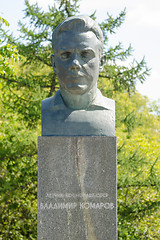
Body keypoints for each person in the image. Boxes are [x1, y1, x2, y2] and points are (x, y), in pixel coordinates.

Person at [42, 15, 115, 136]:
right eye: (66, 55)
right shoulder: (46, 110)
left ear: (101, 62)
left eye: (85, 54)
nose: (75, 64)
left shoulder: (109, 110)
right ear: (54, 63)